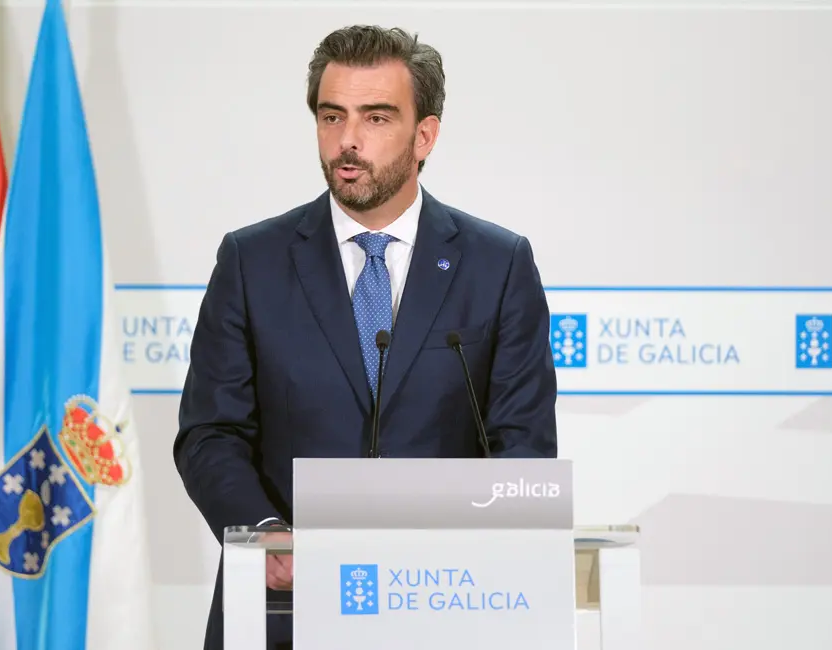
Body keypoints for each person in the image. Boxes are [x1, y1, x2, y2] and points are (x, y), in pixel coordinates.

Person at [173, 24, 558, 650]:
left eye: (376, 118)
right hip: (282, 608)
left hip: (445, 605)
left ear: (424, 134)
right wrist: (264, 531)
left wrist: (473, 557)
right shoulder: (252, 261)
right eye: (332, 116)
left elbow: (523, 447)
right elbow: (209, 433)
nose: (347, 141)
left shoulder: (498, 265)